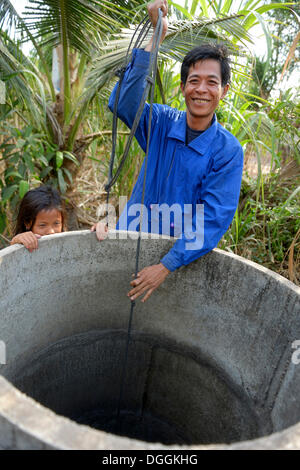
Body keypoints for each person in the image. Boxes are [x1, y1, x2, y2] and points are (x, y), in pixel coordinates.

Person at [93, 0, 244, 303]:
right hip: (129, 239)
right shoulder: (161, 122)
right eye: (194, 80)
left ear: (224, 90)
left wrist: (166, 265)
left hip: (176, 260)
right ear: (182, 86)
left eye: (212, 82)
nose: (202, 89)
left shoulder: (227, 150)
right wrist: (156, 35)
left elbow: (213, 218)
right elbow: (123, 103)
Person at [11, 185, 65, 252]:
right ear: (27, 223)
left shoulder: (68, 244)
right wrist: (16, 242)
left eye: (56, 223)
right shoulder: (23, 243)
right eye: (42, 225)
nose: (51, 232)